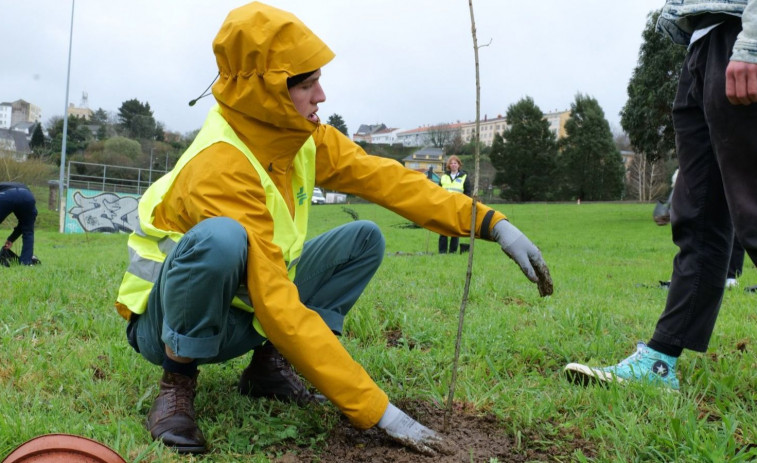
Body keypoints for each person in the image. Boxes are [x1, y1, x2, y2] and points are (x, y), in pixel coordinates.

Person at [115, 2, 553, 456]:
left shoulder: (300, 138)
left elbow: (386, 179)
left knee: (362, 239)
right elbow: (276, 303)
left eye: (317, 81)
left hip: (240, 314)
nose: (321, 95)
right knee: (221, 239)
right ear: (266, 92)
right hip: (165, 324)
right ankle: (176, 386)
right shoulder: (220, 165)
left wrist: (490, 223)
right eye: (307, 85)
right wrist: (376, 409)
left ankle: (267, 369)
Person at [564, 0, 757, 391]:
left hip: (739, 39)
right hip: (701, 44)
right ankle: (661, 361)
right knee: (697, 217)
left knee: (752, 209)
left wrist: (752, 43)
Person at [438, 155, 472, 254]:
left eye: (455, 163)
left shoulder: (464, 177)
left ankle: (452, 251)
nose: (453, 165)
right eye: (451, 163)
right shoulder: (443, 177)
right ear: (449, 165)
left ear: (459, 165)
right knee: (443, 230)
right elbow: (438, 191)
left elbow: (467, 193)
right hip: (445, 206)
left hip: (458, 207)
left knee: (455, 230)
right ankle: (442, 252)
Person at [0, 182, 38, 266]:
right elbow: (24, 224)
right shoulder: (24, 188)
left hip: (6, 195)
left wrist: (11, 239)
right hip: (27, 196)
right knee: (28, 231)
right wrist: (11, 239)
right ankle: (26, 262)